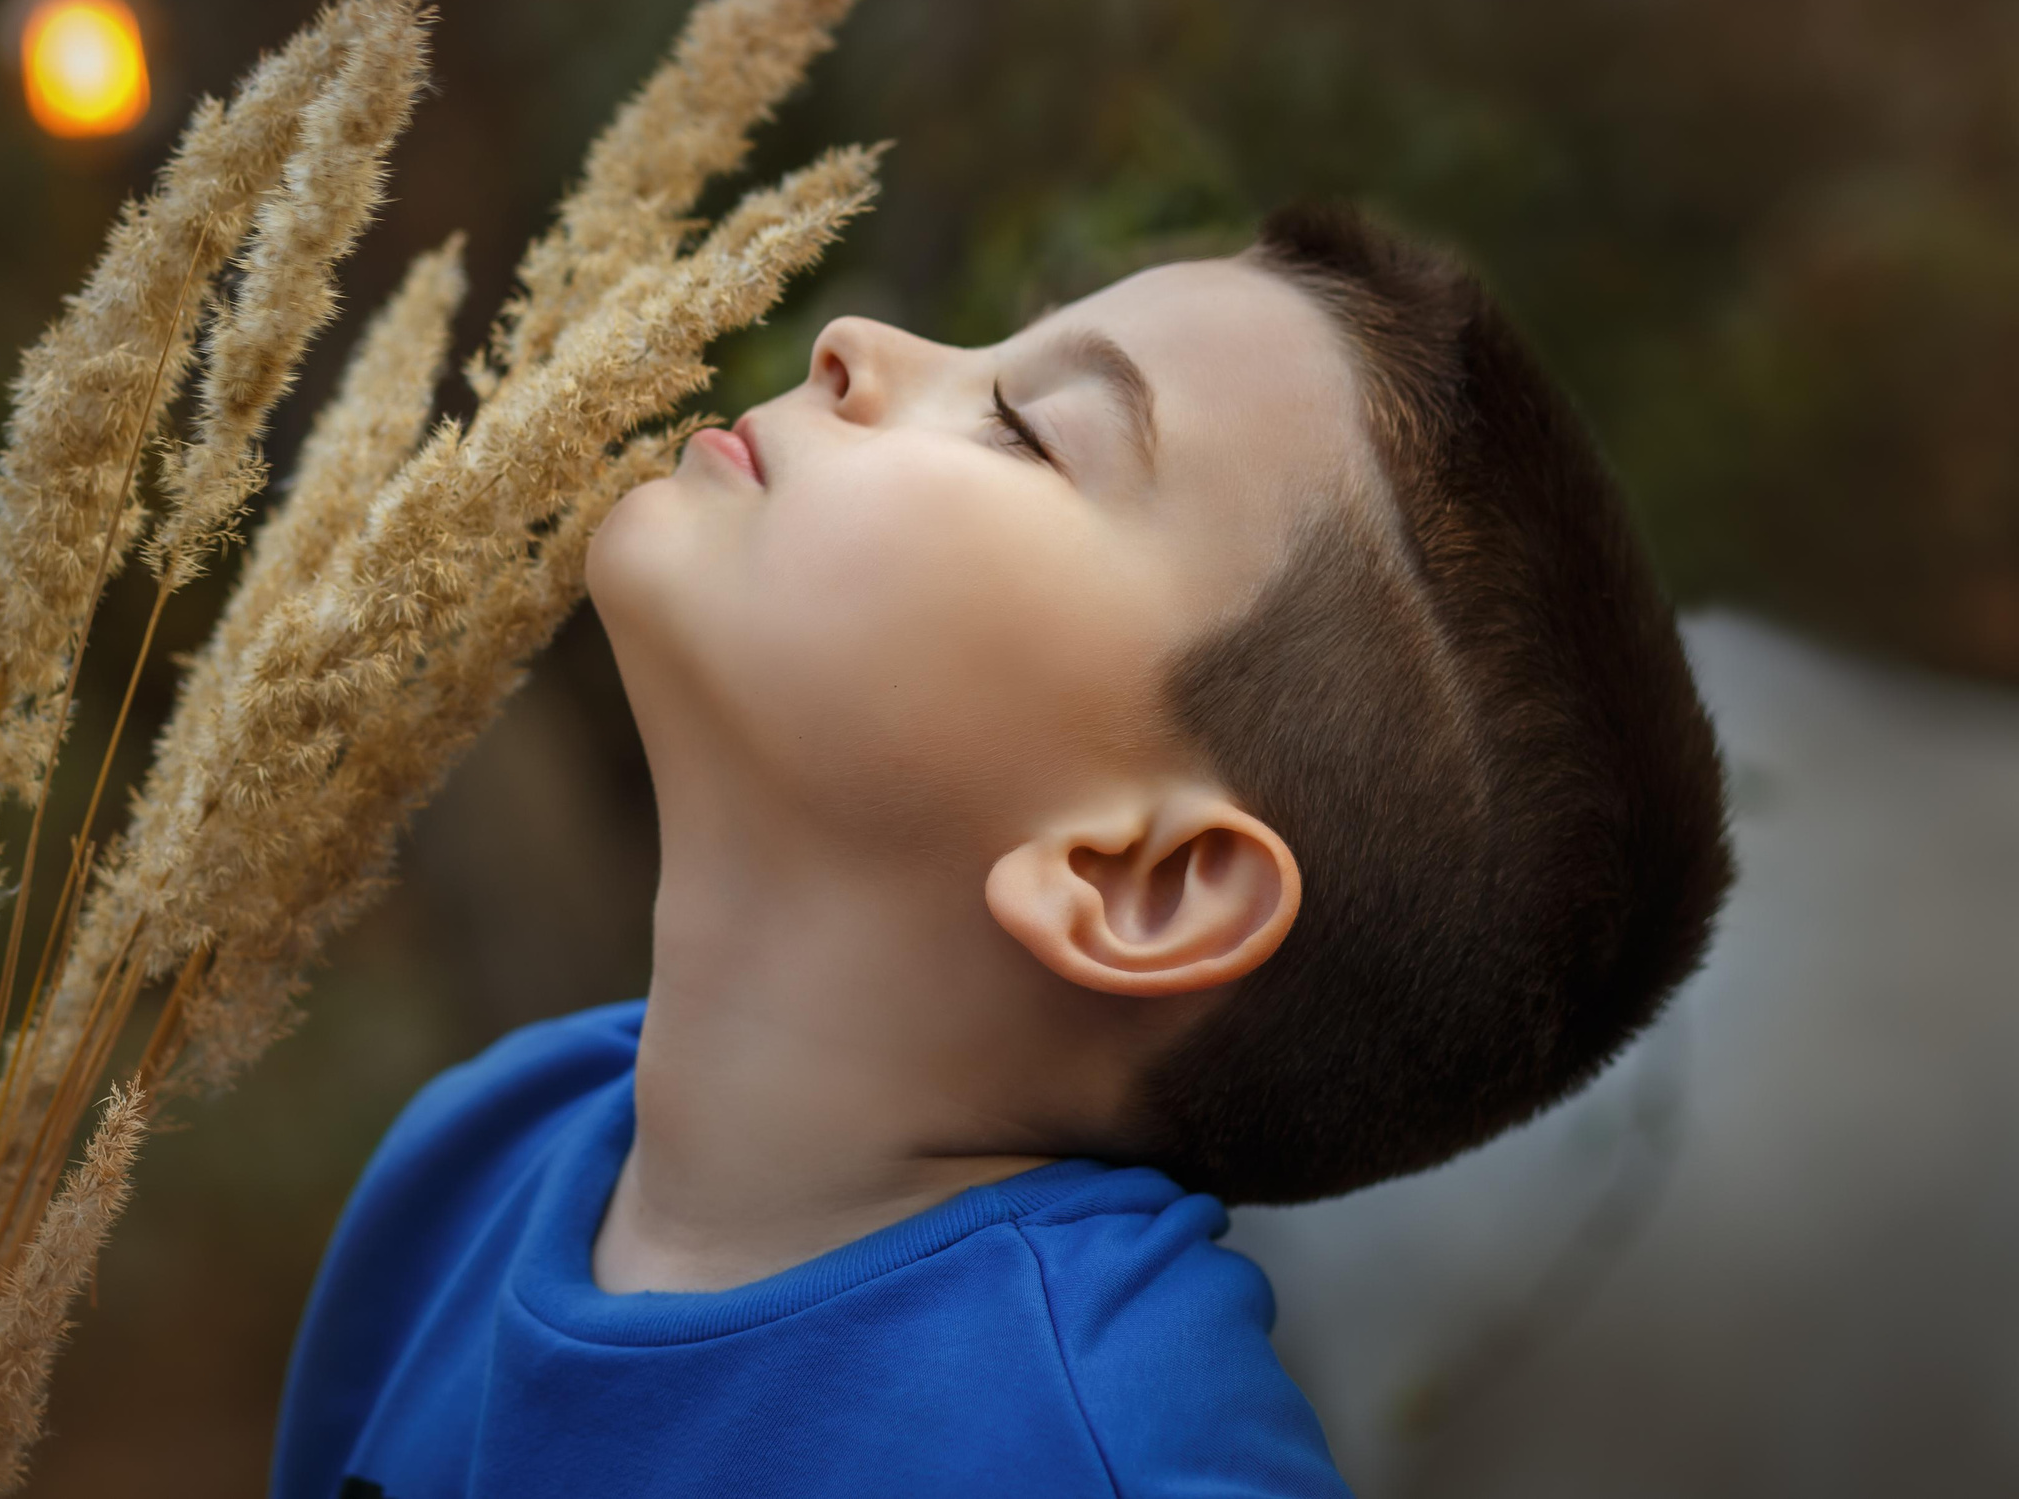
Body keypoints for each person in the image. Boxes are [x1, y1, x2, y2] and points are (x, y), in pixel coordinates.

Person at [267, 201, 1733, 1497]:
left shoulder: (1102, 1454)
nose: (854, 344)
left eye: (1028, 429)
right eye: (990, 358)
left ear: (1139, 885)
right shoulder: (481, 1155)